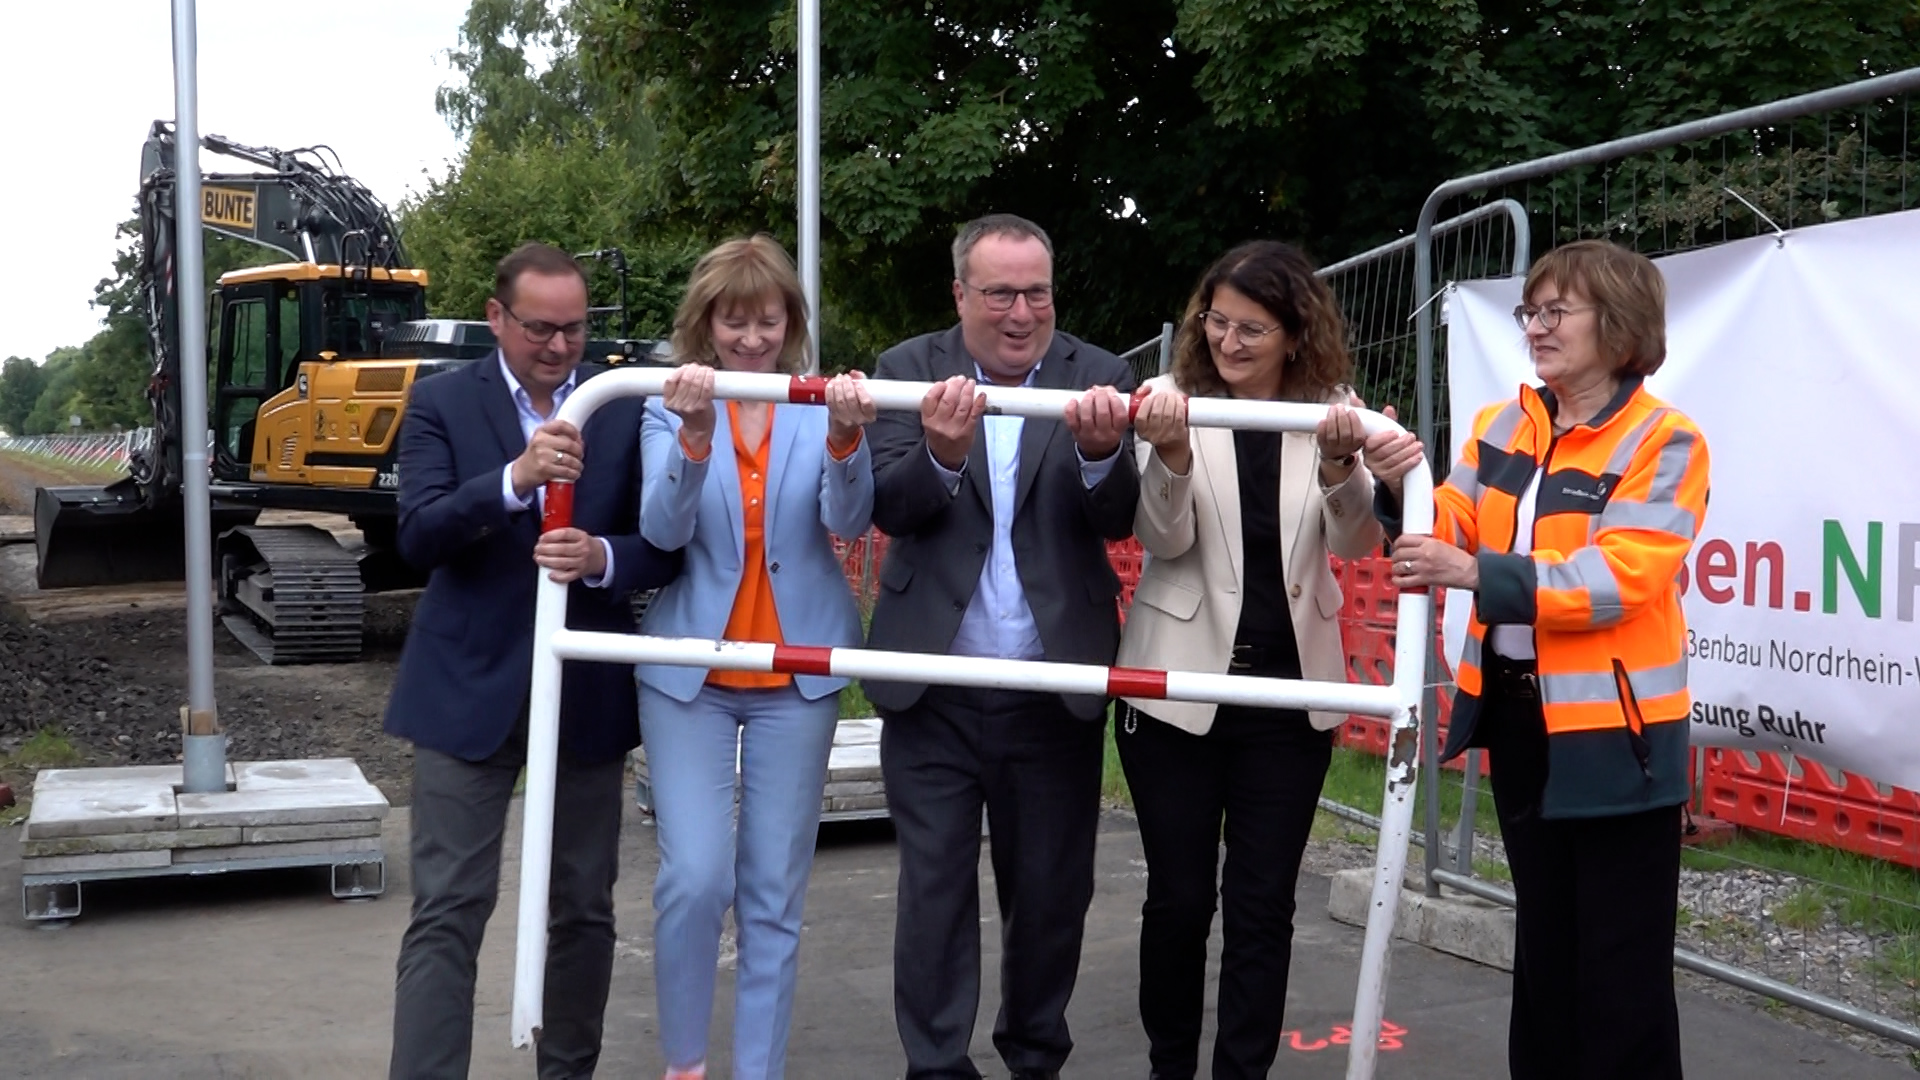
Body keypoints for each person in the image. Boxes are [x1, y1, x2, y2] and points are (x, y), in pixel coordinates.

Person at [1365, 239, 1710, 1080]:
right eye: (1531, 310)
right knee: (1546, 958)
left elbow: (1619, 579)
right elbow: (1445, 520)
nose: (1537, 327)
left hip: (1619, 740)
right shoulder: (1501, 425)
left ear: (1619, 324)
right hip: (1521, 723)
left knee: (1621, 976)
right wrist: (1389, 480)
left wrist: (1477, 573)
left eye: (1558, 310)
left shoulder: (1666, 440)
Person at [384, 241, 683, 1079]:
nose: (559, 346)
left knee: (583, 910)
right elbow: (417, 536)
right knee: (448, 910)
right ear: (496, 317)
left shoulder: (623, 405)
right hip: (462, 693)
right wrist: (513, 479)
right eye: (540, 329)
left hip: (584, 695)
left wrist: (604, 556)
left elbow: (666, 545)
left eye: (574, 329)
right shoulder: (440, 401)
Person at [863, 213, 1140, 1080]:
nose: (1022, 314)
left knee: (1052, 894)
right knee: (934, 890)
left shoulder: (1101, 376)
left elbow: (1120, 518)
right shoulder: (906, 369)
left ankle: (1034, 1055)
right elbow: (888, 506)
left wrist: (1102, 456)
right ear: (960, 295)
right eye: (1000, 295)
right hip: (932, 686)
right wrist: (941, 458)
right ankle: (937, 1064)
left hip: (1052, 686)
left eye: (1037, 294)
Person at [1113, 240, 1386, 1079]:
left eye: (1252, 329)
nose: (1228, 341)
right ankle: (1169, 1066)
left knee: (1263, 908)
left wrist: (1342, 464)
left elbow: (1357, 542)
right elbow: (1162, 540)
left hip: (1289, 699)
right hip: (1176, 693)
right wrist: (1170, 454)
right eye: (1217, 321)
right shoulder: (1170, 400)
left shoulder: (1334, 411)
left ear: (1296, 335)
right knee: (1179, 901)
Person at [634, 234, 877, 1080]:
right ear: (705, 322)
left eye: (767, 322)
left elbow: (849, 523)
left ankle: (757, 1072)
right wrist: (694, 440)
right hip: (689, 676)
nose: (750, 339)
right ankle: (685, 1064)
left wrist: (844, 441)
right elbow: (662, 532)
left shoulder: (819, 398)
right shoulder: (666, 403)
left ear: (791, 323)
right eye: (733, 322)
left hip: (797, 676)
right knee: (696, 877)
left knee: (774, 891)